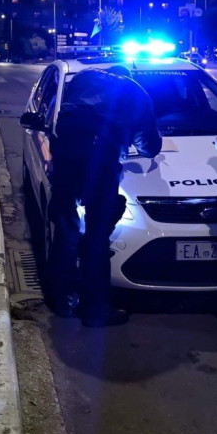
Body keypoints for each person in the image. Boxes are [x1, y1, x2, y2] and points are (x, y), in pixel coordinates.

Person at [48, 65, 161, 327]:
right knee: (97, 235)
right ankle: (95, 311)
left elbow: (63, 113)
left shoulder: (84, 76)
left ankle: (63, 301)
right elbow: (149, 146)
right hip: (100, 161)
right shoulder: (136, 92)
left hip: (66, 156)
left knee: (65, 229)